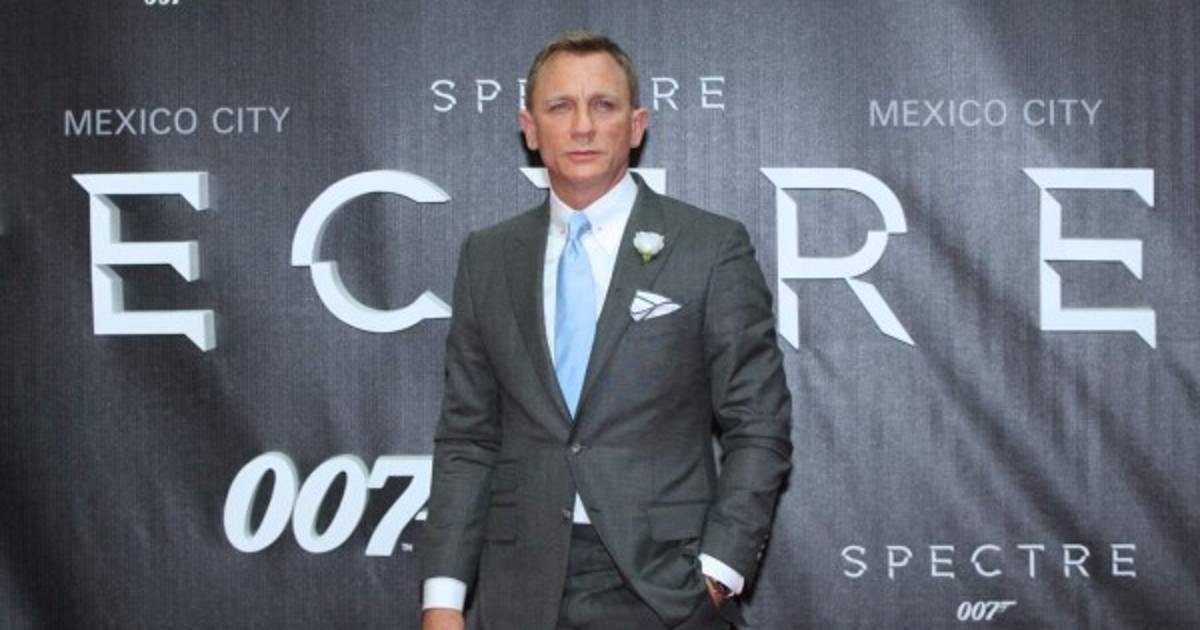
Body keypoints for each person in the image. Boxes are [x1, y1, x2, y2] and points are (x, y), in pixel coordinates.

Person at [420, 31, 792, 630]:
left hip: (665, 589)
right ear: (530, 128)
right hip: (517, 591)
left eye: (603, 105)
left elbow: (759, 422)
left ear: (637, 124)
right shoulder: (487, 257)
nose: (583, 127)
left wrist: (718, 572)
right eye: (560, 106)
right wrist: (442, 600)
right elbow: (468, 437)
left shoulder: (710, 247)